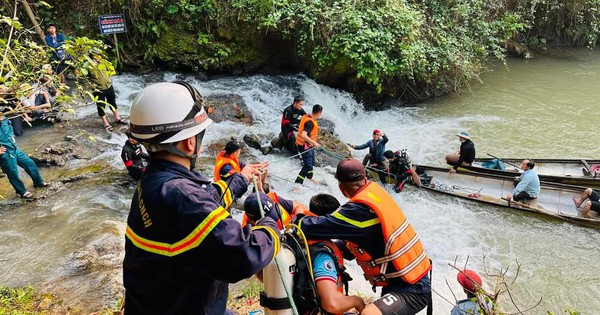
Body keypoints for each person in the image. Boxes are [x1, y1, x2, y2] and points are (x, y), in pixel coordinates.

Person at [123, 81, 281, 314]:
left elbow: (203, 201)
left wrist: (240, 178)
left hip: (155, 302)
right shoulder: (183, 197)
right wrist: (270, 224)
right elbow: (245, 255)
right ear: (189, 142)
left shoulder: (154, 179)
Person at [297, 158, 432, 315]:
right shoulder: (375, 195)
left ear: (341, 188)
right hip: (410, 278)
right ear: (365, 178)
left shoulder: (356, 212)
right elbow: (352, 247)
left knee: (368, 314)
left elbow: (308, 227)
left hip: (412, 289)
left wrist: (295, 211)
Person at [245, 193, 366, 314]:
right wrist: (357, 301)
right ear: (327, 220)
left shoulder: (288, 240)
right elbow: (331, 304)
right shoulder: (321, 254)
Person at [0, 113, 48, 199]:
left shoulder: (3, 118)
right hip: (5, 153)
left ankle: (38, 182)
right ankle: (21, 191)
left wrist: (12, 135)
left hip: (14, 148)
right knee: (13, 172)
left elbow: (9, 126)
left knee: (29, 163)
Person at [88, 52, 125, 131]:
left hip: (108, 86)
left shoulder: (104, 63)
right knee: (101, 106)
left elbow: (110, 70)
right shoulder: (88, 66)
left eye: (98, 55)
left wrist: (109, 77)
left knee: (112, 102)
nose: (98, 57)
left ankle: (117, 117)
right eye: (95, 56)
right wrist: (90, 84)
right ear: (91, 57)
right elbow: (82, 78)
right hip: (98, 89)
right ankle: (105, 122)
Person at [243, 191, 309, 229]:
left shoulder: (272, 199)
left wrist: (297, 223)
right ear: (253, 221)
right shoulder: (248, 233)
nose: (276, 219)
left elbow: (298, 206)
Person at [295, 104, 323, 185]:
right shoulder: (310, 123)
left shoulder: (310, 118)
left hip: (309, 146)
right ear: (319, 113)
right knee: (307, 165)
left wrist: (317, 127)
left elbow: (308, 127)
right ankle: (297, 183)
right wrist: (315, 143)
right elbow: (304, 134)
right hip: (304, 146)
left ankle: (310, 176)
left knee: (311, 162)